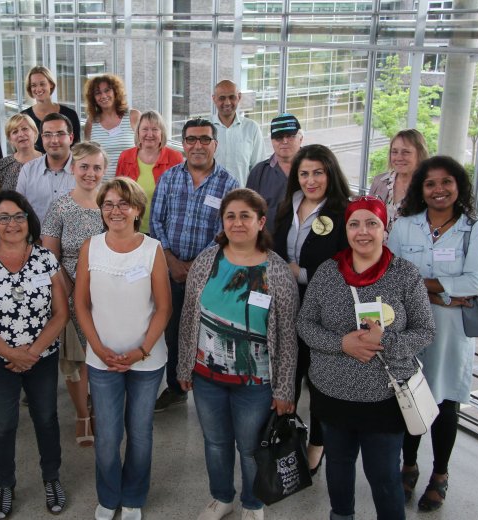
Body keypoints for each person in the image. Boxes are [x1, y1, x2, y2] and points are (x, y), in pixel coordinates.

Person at [297, 196, 435, 520]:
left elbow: (425, 330)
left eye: (371, 223)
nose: (363, 232)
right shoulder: (328, 273)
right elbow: (305, 323)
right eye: (354, 224)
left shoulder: (405, 275)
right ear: (345, 229)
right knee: (339, 469)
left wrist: (383, 341)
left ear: (384, 229)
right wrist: (341, 343)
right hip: (333, 393)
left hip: (385, 397)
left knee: (384, 476)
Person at [177, 188, 298, 520]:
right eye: (230, 216)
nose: (237, 222)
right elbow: (189, 316)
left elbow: (287, 336)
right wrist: (184, 367)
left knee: (249, 448)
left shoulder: (276, 271)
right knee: (215, 443)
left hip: (256, 382)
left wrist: (284, 389)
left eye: (246, 216)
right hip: (207, 377)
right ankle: (221, 497)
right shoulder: (208, 259)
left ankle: (252, 502)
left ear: (261, 222)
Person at [388, 156, 478, 512]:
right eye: (430, 183)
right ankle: (409, 465)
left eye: (446, 182)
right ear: (421, 189)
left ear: (458, 186)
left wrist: (420, 286)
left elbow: (475, 283)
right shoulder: (404, 226)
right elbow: (392, 276)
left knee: (445, 404)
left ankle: (440, 475)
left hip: (451, 334)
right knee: (408, 399)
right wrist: (441, 292)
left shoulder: (474, 230)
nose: (439, 190)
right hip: (408, 328)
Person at [0, 191, 68, 519]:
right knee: (4, 424)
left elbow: (61, 314)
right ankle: (5, 485)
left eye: (18, 216)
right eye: (3, 217)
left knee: (47, 419)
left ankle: (51, 478)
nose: (12, 224)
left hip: (42, 357)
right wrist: (10, 353)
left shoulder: (45, 259)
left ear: (29, 220)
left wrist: (32, 353)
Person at [73, 177, 171, 520]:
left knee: (140, 434)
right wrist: (97, 348)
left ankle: (133, 497)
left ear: (137, 210)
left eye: (123, 204)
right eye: (108, 204)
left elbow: (163, 308)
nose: (115, 210)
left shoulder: (152, 249)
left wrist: (141, 351)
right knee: (108, 434)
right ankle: (109, 496)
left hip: (146, 360)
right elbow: (80, 303)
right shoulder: (91, 246)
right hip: (102, 359)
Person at [150, 118, 240, 412]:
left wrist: (197, 267)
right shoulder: (169, 178)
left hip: (210, 276)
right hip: (171, 271)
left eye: (204, 139)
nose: (197, 145)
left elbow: (228, 232)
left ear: (215, 144)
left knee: (208, 334)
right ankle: (176, 387)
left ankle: (208, 390)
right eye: (191, 139)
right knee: (174, 332)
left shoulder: (229, 184)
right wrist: (171, 260)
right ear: (183, 144)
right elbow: (156, 221)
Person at [273, 144, 352, 473]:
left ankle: (317, 442)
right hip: (285, 306)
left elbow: (346, 265)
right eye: (304, 173)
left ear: (330, 173)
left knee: (318, 378)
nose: (311, 180)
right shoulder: (287, 206)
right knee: (286, 373)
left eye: (318, 172)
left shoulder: (342, 213)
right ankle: (286, 435)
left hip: (323, 311)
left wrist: (300, 273)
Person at [41, 142, 107, 447]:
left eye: (96, 167)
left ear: (104, 171)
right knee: (76, 358)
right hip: (70, 293)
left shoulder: (111, 204)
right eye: (84, 166)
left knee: (102, 356)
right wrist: (74, 296)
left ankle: (102, 408)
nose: (90, 173)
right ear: (72, 168)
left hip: (109, 295)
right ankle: (82, 414)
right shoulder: (59, 207)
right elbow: (50, 259)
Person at [116, 110, 184, 233]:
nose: (149, 134)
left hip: (165, 230)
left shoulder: (175, 158)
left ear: (162, 133)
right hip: (132, 228)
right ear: (138, 132)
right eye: (145, 129)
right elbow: (118, 193)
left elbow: (181, 197)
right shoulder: (125, 157)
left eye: (155, 129)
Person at [246, 113, 304, 232]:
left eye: (290, 136)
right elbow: (249, 211)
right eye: (278, 137)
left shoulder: (315, 169)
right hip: (268, 245)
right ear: (272, 141)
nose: (285, 141)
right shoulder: (258, 172)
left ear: (301, 138)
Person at [16, 113, 76, 223]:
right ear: (42, 138)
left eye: (60, 134)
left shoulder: (85, 171)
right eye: (48, 135)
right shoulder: (28, 170)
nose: (54, 140)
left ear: (71, 138)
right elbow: (19, 210)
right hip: (36, 239)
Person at [368, 129, 429, 237]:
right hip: (377, 252)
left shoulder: (428, 187)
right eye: (394, 152)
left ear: (420, 154)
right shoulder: (379, 182)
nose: (399, 157)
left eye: (406, 152)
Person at [84, 74, 141, 180]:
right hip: (100, 188)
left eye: (107, 90)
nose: (103, 96)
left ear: (116, 92)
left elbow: (144, 152)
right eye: (98, 93)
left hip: (129, 185)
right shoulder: (91, 122)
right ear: (93, 98)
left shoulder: (133, 116)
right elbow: (87, 156)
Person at [210, 80, 265, 186]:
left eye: (232, 97)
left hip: (241, 197)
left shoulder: (252, 128)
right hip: (209, 196)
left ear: (239, 97)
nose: (227, 102)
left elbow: (258, 169)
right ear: (214, 99)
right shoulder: (204, 127)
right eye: (222, 98)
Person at [21, 65, 82, 152]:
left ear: (51, 84)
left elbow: (76, 149)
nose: (38, 89)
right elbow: (20, 150)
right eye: (33, 85)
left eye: (42, 84)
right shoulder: (24, 117)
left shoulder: (70, 114)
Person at [0, 113, 43, 190]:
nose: (21, 134)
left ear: (35, 132)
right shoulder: (1, 165)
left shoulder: (49, 161)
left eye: (24, 129)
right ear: (10, 139)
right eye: (15, 132)